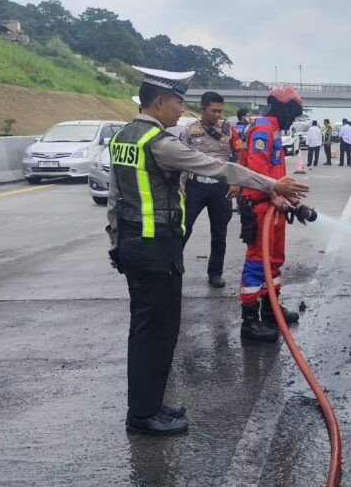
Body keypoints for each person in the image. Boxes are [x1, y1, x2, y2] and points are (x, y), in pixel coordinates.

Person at [107, 67, 308, 435]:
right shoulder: (159, 142)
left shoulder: (124, 136)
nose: (181, 109)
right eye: (178, 101)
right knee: (158, 332)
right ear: (158, 101)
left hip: (133, 246)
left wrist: (114, 241)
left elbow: (115, 198)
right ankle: (142, 415)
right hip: (156, 250)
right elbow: (217, 167)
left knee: (145, 330)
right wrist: (271, 183)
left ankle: (148, 404)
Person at [238, 85, 308, 341]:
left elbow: (273, 173)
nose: (293, 119)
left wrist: (287, 198)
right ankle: (249, 320)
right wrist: (273, 196)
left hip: (273, 207)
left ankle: (271, 310)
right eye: (293, 113)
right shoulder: (263, 130)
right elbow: (257, 173)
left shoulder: (274, 131)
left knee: (274, 260)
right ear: (283, 107)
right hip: (260, 208)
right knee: (258, 261)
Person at [180, 91, 236, 288]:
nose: (218, 115)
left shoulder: (228, 130)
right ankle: (174, 271)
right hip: (195, 187)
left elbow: (236, 158)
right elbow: (180, 161)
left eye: (220, 111)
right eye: (214, 110)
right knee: (183, 229)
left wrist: (235, 183)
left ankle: (215, 273)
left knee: (219, 233)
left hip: (220, 188)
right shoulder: (189, 130)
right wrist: (181, 187)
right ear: (203, 109)